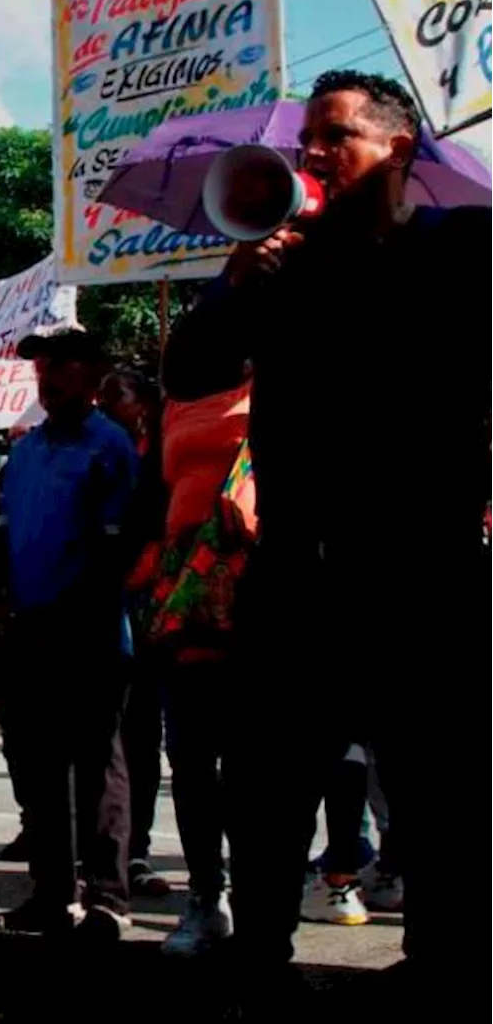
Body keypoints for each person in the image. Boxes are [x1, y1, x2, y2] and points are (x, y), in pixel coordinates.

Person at [194, 70, 491, 995]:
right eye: (307, 140)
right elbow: (186, 371)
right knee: (267, 781)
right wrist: (235, 284)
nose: (310, 155)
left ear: (397, 148)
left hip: (422, 569)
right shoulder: (281, 261)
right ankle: (260, 954)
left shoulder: (463, 248)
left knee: (437, 784)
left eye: (334, 137)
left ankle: (439, 962)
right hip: (297, 573)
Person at [0, 328, 137, 941]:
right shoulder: (26, 453)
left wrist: (69, 614)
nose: (48, 375)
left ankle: (106, 896)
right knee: (41, 768)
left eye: (62, 363)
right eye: (42, 366)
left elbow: (117, 551)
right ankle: (52, 891)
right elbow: (6, 539)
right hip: (28, 633)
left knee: (97, 761)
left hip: (90, 632)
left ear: (93, 373)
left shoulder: (110, 448)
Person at [128, 316, 256, 957]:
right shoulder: (173, 405)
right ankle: (208, 896)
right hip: (183, 599)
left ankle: (260, 899)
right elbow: (155, 495)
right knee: (190, 756)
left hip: (256, 595)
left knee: (253, 760)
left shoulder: (270, 388)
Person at [100, 370, 171, 900]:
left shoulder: (164, 449)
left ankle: (139, 849)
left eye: (115, 398)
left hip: (157, 613)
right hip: (111, 609)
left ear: (143, 402)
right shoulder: (100, 451)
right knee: (116, 738)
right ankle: (113, 852)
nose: (106, 408)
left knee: (144, 735)